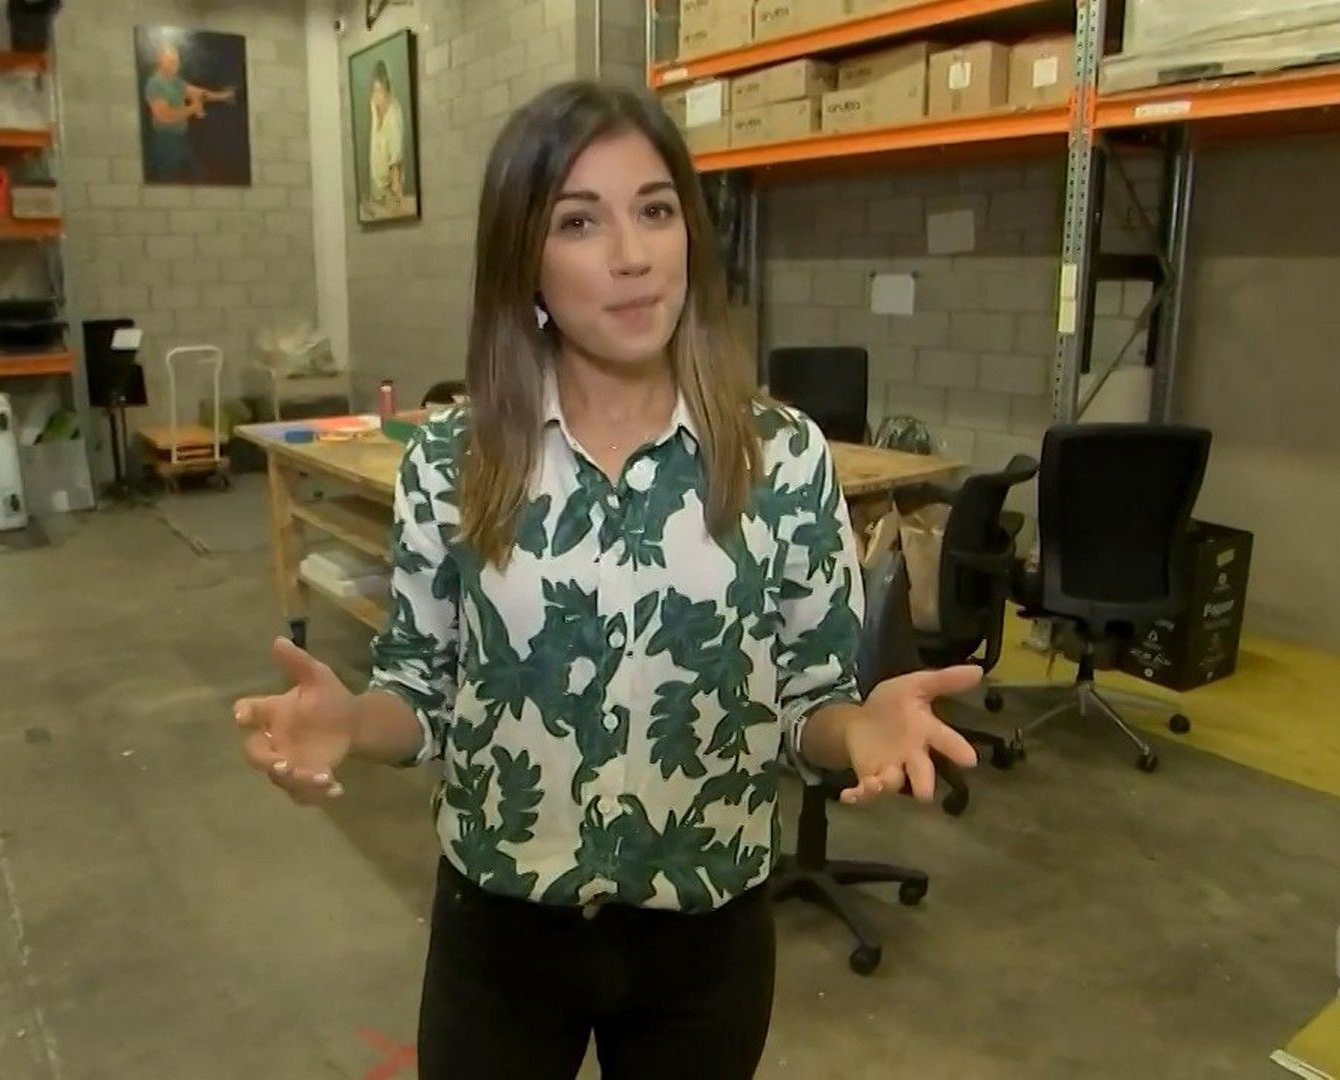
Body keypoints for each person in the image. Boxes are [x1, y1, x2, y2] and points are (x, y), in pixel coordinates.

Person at [234, 80, 980, 1079]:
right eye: (580, 221)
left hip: (705, 940)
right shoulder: (456, 459)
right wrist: (352, 724)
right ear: (525, 259)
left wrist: (859, 729)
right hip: (500, 935)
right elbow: (423, 690)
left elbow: (809, 703)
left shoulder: (781, 457)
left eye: (656, 211)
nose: (632, 254)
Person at [142, 43, 235, 182]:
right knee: (167, 180)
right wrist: (193, 108)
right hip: (165, 141)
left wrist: (223, 96)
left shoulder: (174, 82)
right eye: (171, 61)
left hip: (180, 138)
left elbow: (198, 93)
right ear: (160, 60)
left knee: (198, 175)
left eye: (177, 60)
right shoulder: (154, 84)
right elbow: (165, 116)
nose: (176, 64)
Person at [366, 61, 408, 215]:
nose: (376, 97)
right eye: (374, 91)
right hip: (376, 190)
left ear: (387, 92)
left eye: (380, 91)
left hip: (389, 190)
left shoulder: (393, 116)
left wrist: (395, 191)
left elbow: (395, 160)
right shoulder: (374, 107)